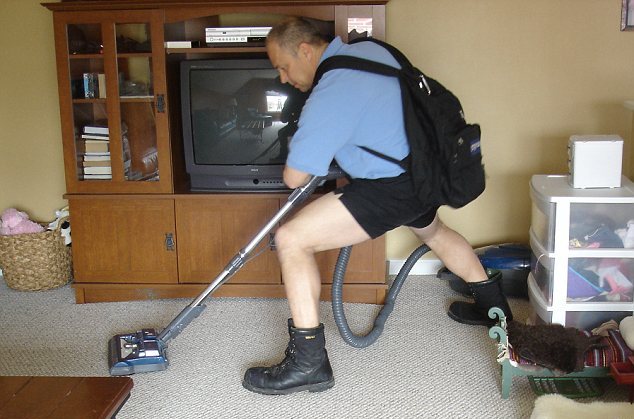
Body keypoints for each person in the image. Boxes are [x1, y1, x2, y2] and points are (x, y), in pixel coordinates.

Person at [241, 17, 513, 396]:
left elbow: (294, 177)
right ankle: (495, 310)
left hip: (391, 187)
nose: (284, 79)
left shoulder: (334, 88)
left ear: (305, 50)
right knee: (435, 232)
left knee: (291, 239)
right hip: (423, 172)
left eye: (283, 67)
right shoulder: (371, 50)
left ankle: (308, 364)